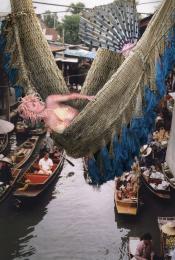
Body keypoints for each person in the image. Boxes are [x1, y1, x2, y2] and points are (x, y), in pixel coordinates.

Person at [18, 93, 94, 134]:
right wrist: (66, 123)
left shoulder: (50, 100)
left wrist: (87, 97)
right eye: (33, 105)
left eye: (34, 101)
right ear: (32, 113)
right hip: (82, 132)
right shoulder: (48, 122)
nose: (37, 103)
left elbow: (71, 96)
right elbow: (64, 131)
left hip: (86, 117)